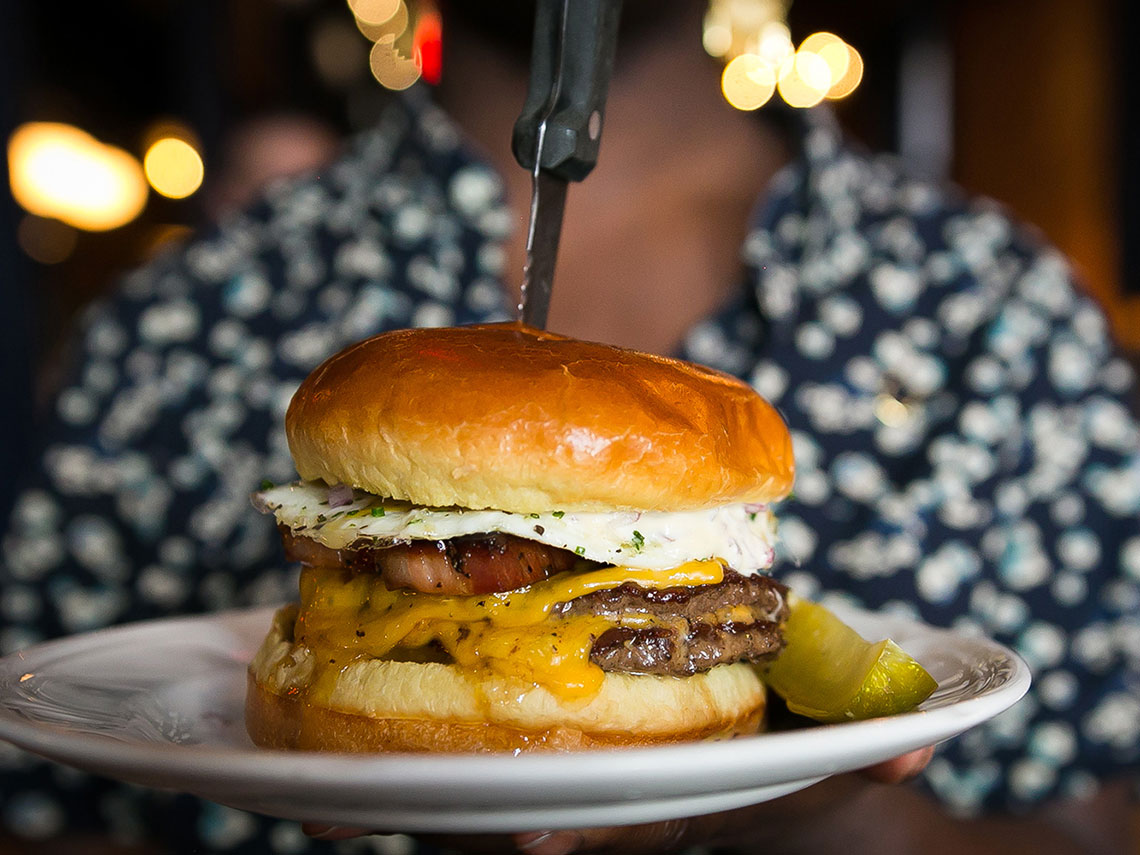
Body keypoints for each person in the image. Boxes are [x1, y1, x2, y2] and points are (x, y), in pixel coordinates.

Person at [2, 2, 1138, 853]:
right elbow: (41, 805)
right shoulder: (185, 317)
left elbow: (1105, 817)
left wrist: (824, 823)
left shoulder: (993, 305)